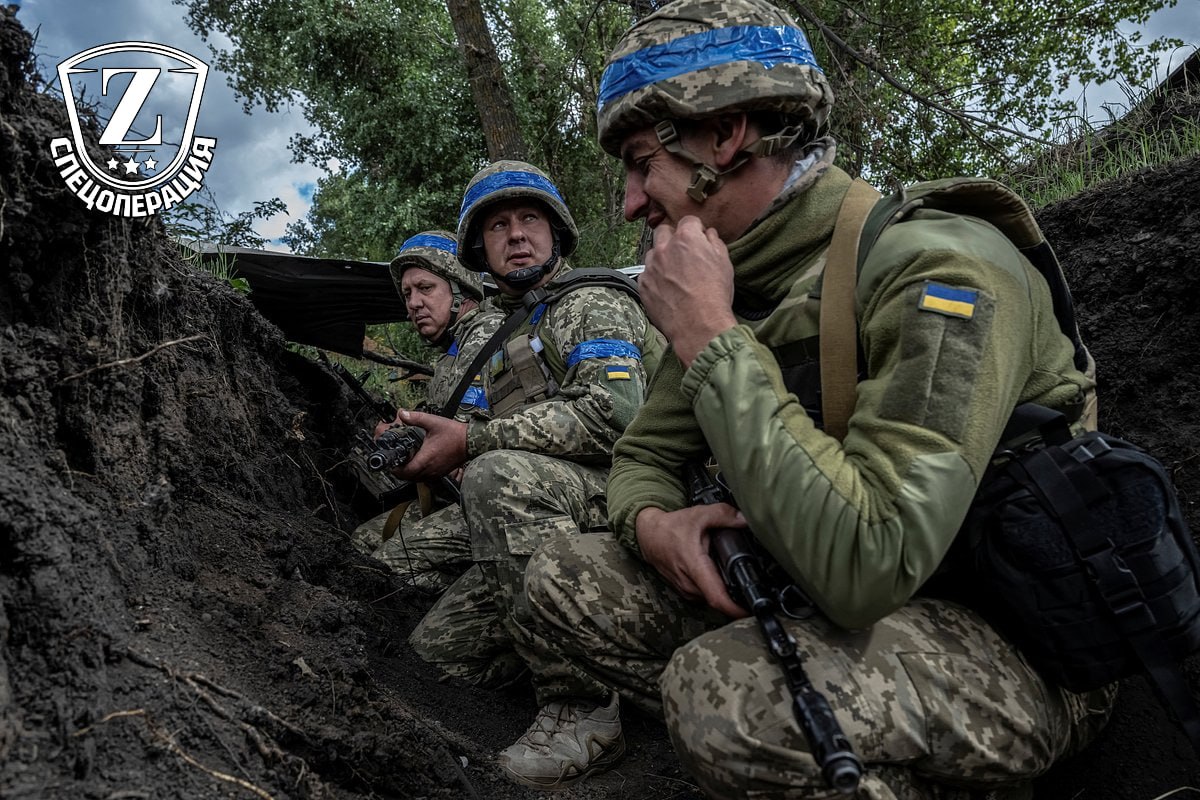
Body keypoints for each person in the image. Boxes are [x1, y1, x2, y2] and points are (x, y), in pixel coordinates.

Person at [522, 1, 1116, 797]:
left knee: (723, 699)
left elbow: (870, 564)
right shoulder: (734, 274)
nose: (630, 202)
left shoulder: (938, 268)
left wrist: (711, 338)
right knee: (563, 574)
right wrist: (654, 523)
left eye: (640, 162)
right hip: (817, 590)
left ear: (724, 137)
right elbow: (642, 457)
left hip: (1019, 640)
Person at [391, 160, 663, 785]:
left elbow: (617, 416)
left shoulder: (588, 302)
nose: (515, 235)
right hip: (560, 505)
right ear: (479, 251)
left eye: (529, 220)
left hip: (634, 492)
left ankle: (582, 706)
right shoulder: (522, 324)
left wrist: (474, 441)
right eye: (498, 227)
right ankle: (613, 651)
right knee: (435, 654)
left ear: (556, 233)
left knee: (498, 477)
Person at [349, 230, 499, 595]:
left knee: (382, 570)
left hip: (493, 499)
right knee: (361, 542)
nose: (413, 304)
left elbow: (470, 435)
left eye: (425, 288)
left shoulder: (487, 338)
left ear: (460, 289)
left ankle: (488, 590)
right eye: (407, 294)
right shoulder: (453, 352)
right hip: (453, 496)